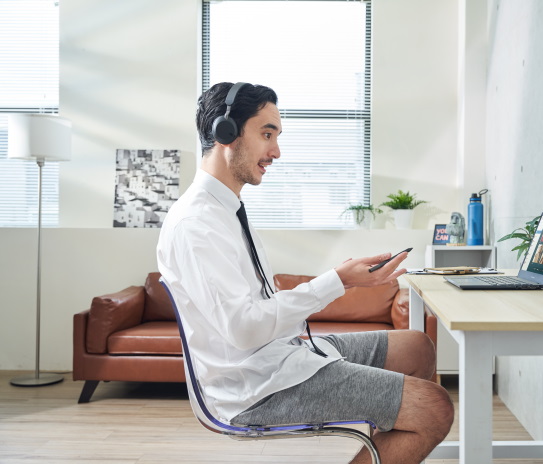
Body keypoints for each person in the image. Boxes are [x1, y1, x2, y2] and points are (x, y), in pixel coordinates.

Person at [156, 82, 454, 464]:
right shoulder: (197, 225)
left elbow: (259, 308)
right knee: (434, 407)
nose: (276, 152)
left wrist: (345, 279)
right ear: (225, 132)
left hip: (281, 355)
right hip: (254, 387)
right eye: (267, 135)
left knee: (417, 346)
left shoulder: (226, 211)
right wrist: (338, 280)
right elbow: (244, 329)